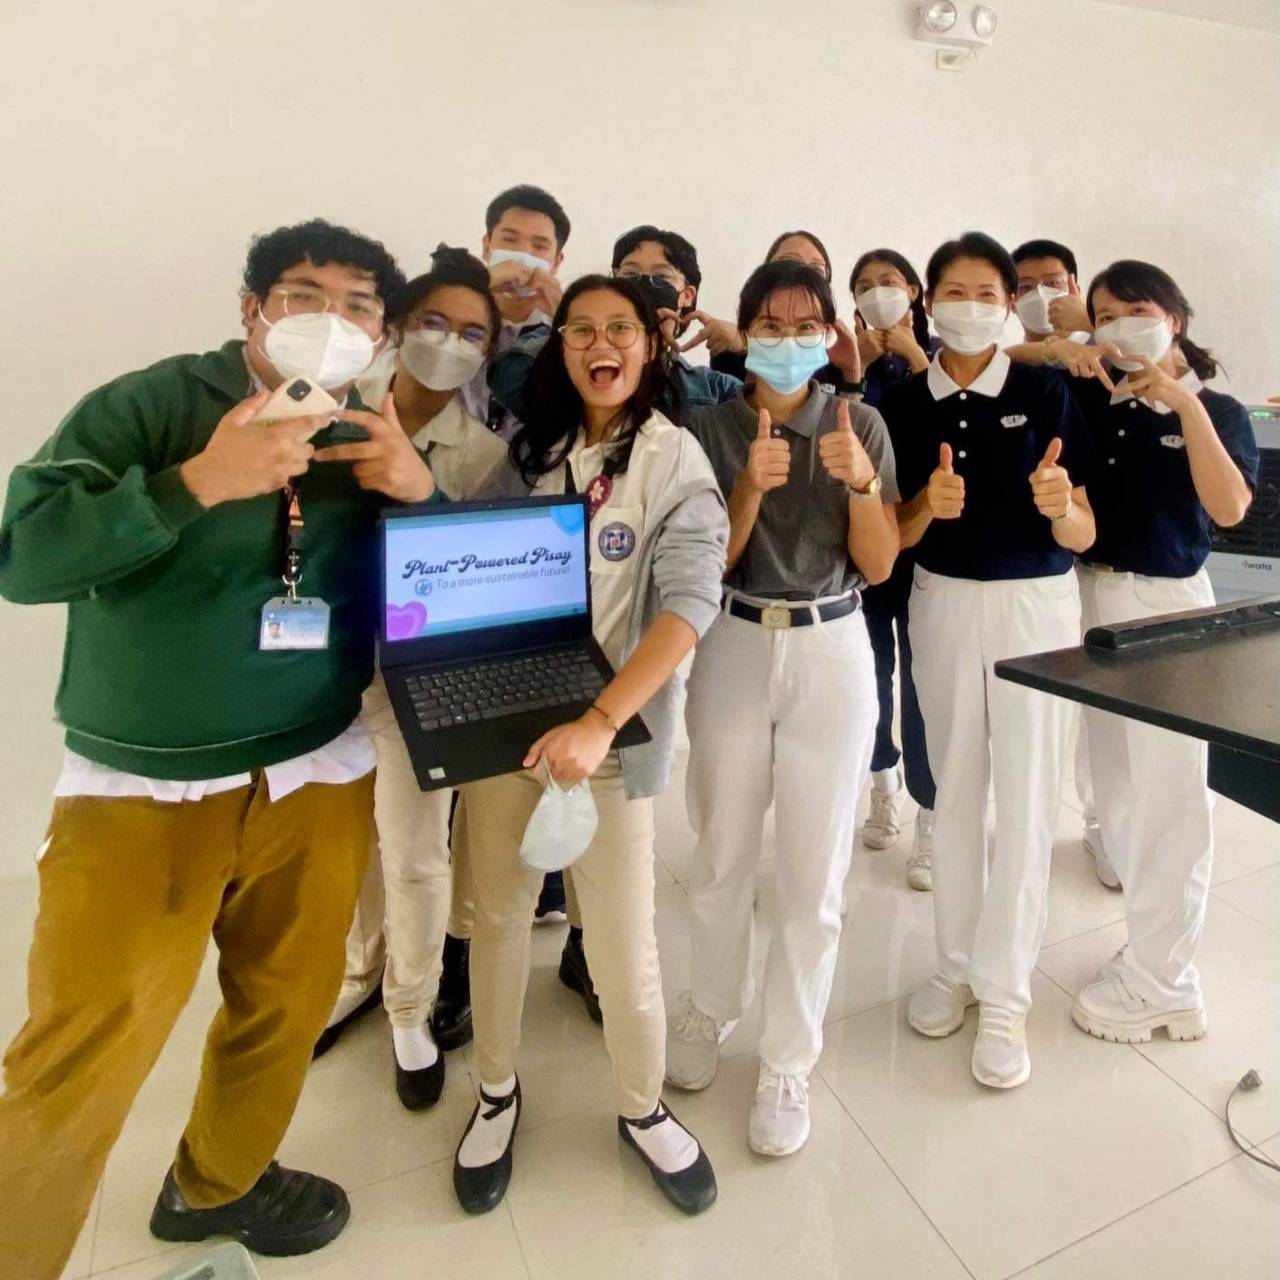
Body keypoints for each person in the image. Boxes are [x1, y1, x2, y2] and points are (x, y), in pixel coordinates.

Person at [0, 219, 441, 1278]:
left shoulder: (366, 424)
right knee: (84, 1044)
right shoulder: (153, 403)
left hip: (316, 763)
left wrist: (418, 492)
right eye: (301, 294)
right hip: (145, 781)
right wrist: (196, 480)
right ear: (251, 310)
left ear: (380, 333)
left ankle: (218, 1180)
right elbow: (24, 557)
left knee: (282, 1001)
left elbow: (428, 588)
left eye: (356, 304)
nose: (328, 320)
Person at [450, 274, 727, 1218]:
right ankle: (494, 1092)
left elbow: (690, 604)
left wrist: (601, 720)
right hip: (507, 735)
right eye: (581, 331)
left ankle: (641, 1110)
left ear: (651, 347)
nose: (600, 344)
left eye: (621, 329)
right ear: (561, 348)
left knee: (620, 942)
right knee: (498, 920)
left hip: (611, 740)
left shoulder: (675, 460)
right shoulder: (530, 452)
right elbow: (465, 563)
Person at [667, 260, 898, 1156]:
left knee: (815, 867)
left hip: (832, 645)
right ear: (747, 328)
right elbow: (705, 563)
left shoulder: (861, 421)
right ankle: (709, 1006)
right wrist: (751, 489)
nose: (790, 338)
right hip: (731, 637)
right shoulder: (708, 426)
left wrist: (863, 487)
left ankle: (789, 1055)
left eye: (809, 324)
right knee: (721, 846)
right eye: (772, 321)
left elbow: (877, 568)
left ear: (831, 333)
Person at [885, 231, 1097, 1090]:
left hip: (1036, 609)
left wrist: (1060, 508)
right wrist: (923, 510)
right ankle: (956, 965)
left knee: (1029, 791)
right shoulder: (902, 402)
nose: (968, 306)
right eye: (952, 292)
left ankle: (1006, 992)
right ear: (928, 304)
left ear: (1010, 307)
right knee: (957, 784)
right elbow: (888, 536)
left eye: (986, 293)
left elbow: (1084, 528)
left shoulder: (1047, 389)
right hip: (942, 601)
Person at [314, 246, 509, 1107]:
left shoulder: (482, 453)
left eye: (472, 333)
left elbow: (472, 572)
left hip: (410, 679)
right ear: (394, 327)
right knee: (344, 845)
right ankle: (360, 970)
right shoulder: (322, 409)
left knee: (419, 853)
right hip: (313, 673)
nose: (449, 343)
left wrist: (418, 489)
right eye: (433, 323)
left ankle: (410, 1007)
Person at [1056, 260, 1257, 1045]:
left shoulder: (1219, 409)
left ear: (1174, 317)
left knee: (1174, 798)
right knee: (1120, 786)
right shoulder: (1097, 402)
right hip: (1092, 601)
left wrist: (1185, 406)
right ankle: (1147, 951)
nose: (1120, 327)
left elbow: (1230, 507)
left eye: (1136, 310)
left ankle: (1168, 982)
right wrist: (1074, 351)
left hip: (1167, 610)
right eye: (1104, 316)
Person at [848, 249, 938, 890]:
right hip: (871, 543)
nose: (878, 294)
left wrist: (915, 355)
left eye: (889, 283)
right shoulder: (844, 357)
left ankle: (932, 812)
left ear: (914, 290)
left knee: (927, 683)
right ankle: (884, 787)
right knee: (873, 673)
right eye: (864, 286)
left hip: (932, 541)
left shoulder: (944, 350)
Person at [488, 224, 742, 420]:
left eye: (661, 276)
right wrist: (572, 324)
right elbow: (508, 377)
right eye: (630, 274)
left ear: (687, 296)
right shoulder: (576, 354)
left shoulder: (710, 389)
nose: (643, 283)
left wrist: (744, 344)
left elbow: (765, 415)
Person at [681, 231, 862, 393]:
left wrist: (853, 372)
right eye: (790, 263)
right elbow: (733, 416)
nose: (803, 274)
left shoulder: (836, 352)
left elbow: (852, 420)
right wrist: (749, 347)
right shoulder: (732, 349)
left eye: (816, 270)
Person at [463, 183, 571, 438]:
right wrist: (478, 290)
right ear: (487, 247)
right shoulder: (453, 310)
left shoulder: (563, 324)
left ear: (556, 263)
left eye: (540, 246)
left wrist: (567, 319)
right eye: (509, 240)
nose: (523, 254)